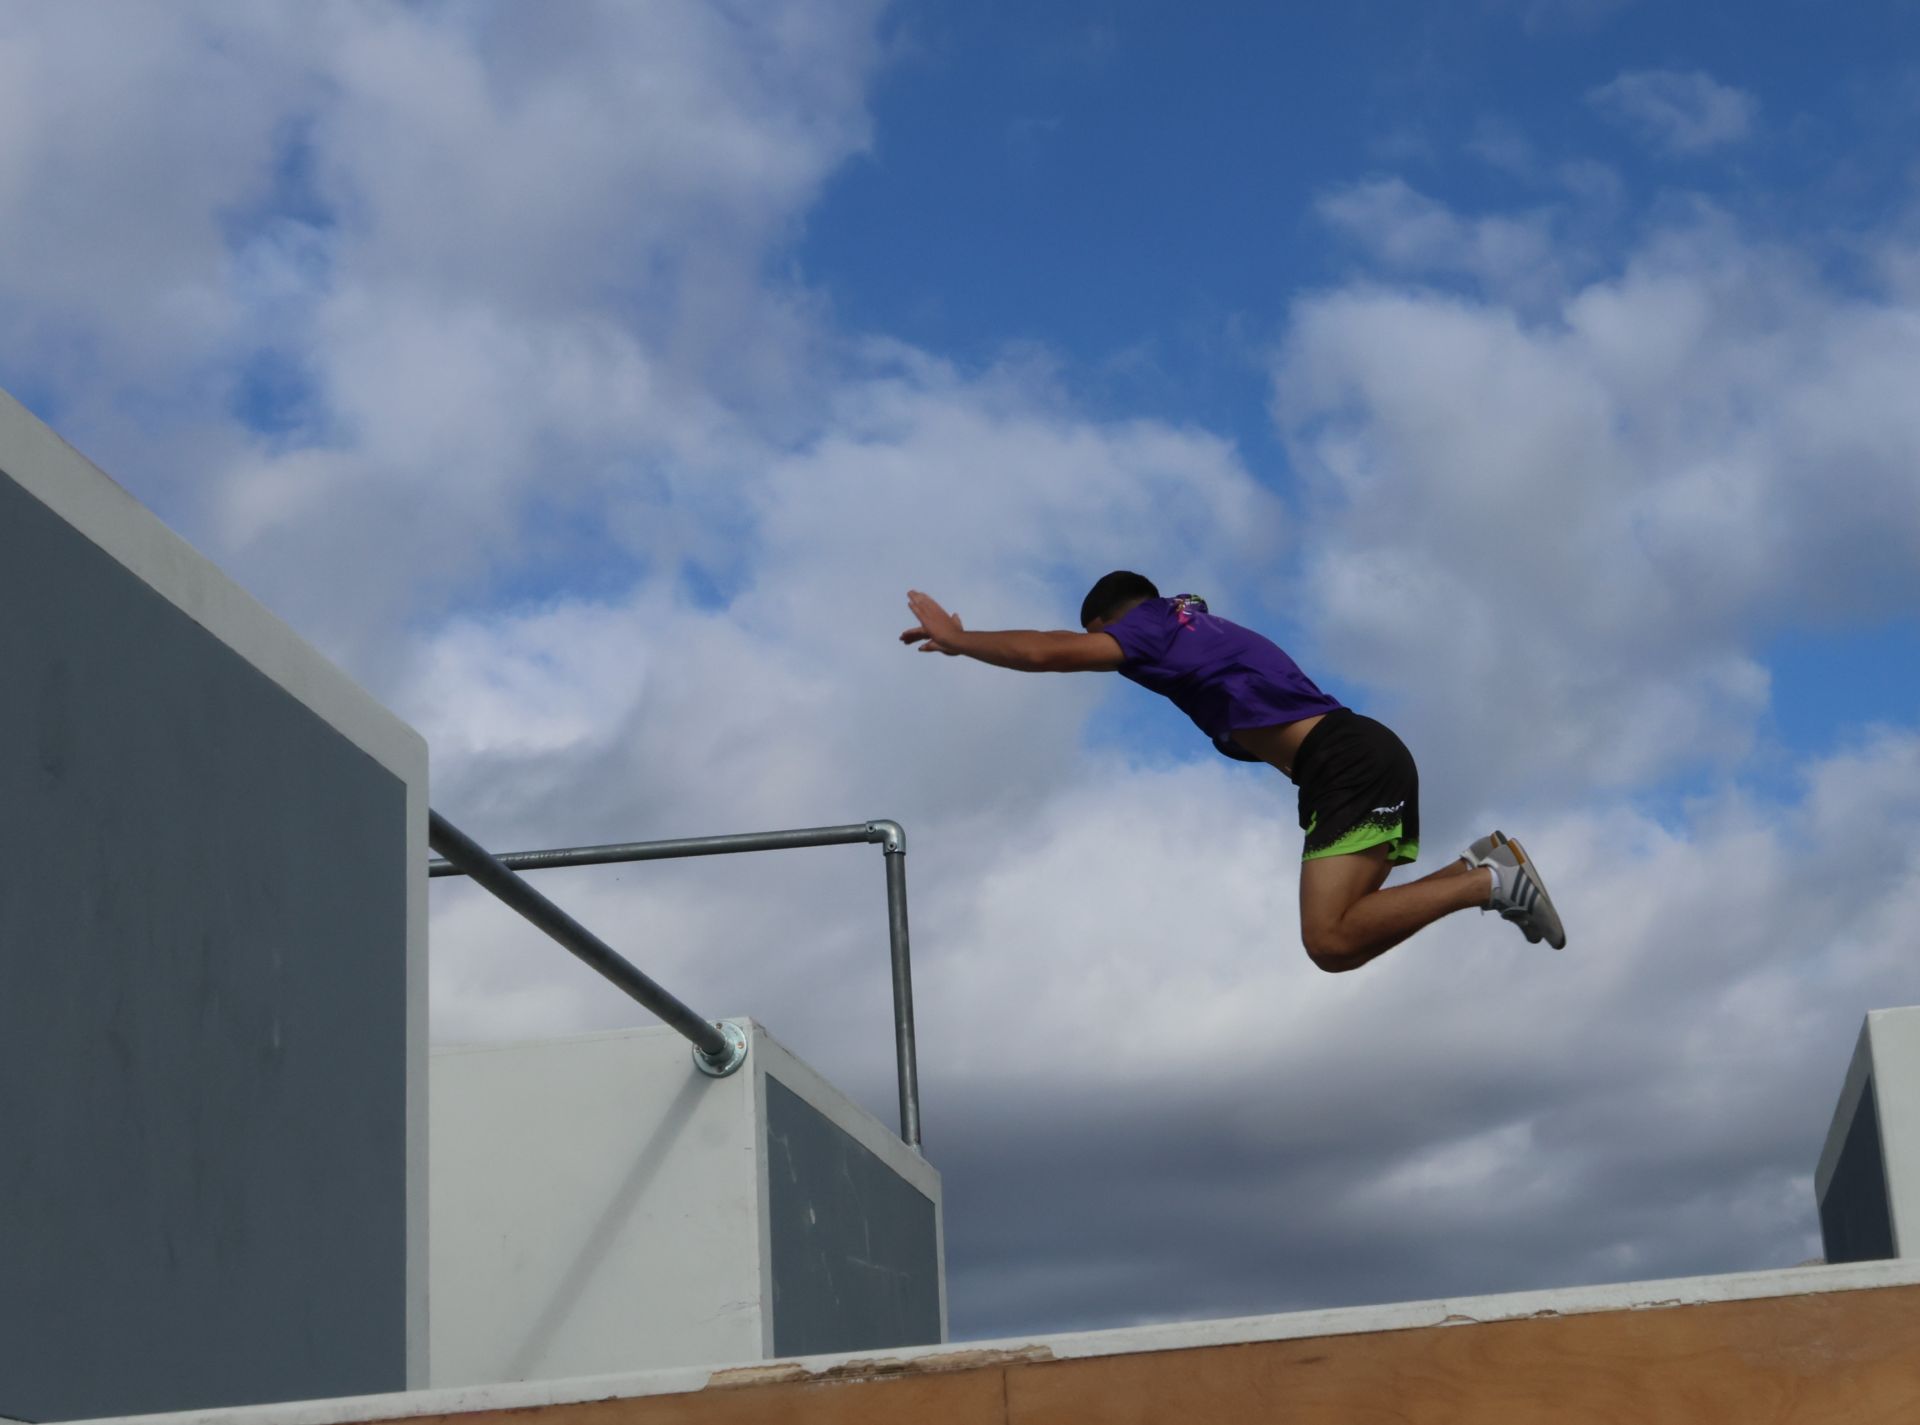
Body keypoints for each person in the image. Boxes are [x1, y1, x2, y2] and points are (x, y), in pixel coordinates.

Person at [900, 571, 1565, 970]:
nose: (1118, 660)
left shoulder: (1151, 627)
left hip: (1346, 762)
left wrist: (964, 641)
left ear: (1109, 620)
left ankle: (1488, 883)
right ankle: (1481, 863)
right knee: (1348, 933)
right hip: (1353, 758)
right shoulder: (1197, 629)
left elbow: (1053, 652)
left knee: (1328, 939)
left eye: (1106, 639)